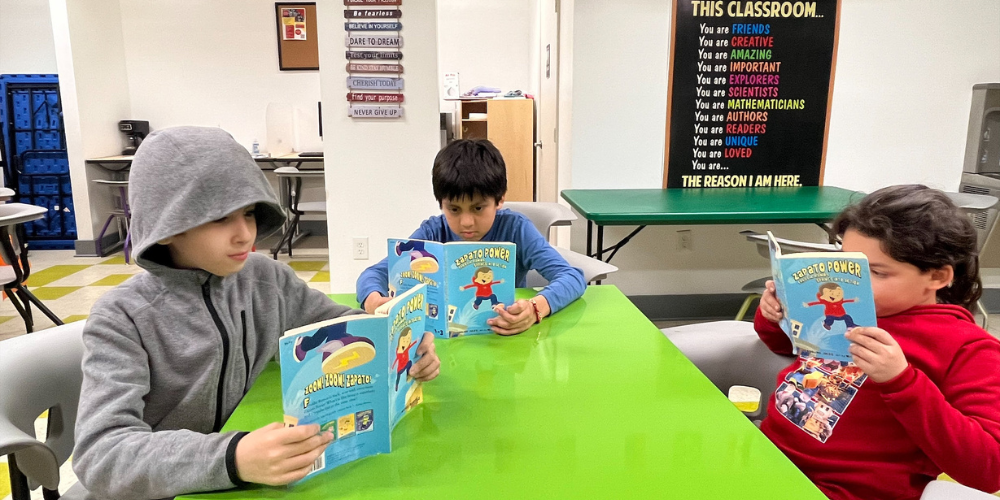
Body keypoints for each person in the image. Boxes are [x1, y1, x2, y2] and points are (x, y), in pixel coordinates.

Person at [72, 126, 441, 499]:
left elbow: (339, 324)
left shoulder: (266, 280)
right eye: (220, 218)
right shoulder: (122, 318)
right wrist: (232, 457)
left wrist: (403, 341)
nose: (245, 234)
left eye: (248, 213)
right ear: (166, 227)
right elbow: (100, 453)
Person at [755, 184, 1000, 499]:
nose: (848, 282)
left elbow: (989, 469)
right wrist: (775, 317)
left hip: (842, 490)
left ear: (937, 277)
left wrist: (902, 381)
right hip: (769, 454)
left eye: (877, 272)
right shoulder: (852, 308)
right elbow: (788, 348)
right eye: (847, 264)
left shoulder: (969, 348)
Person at [356, 139, 586, 335]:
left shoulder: (516, 229)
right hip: (441, 346)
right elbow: (374, 273)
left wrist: (537, 308)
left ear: (499, 200)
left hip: (503, 338)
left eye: (478, 208)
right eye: (454, 209)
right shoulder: (433, 232)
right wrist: (373, 299)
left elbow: (571, 276)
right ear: (441, 204)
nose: (466, 222)